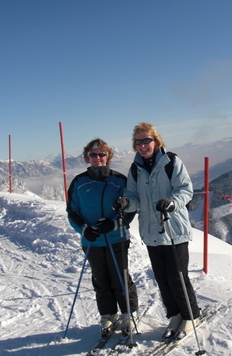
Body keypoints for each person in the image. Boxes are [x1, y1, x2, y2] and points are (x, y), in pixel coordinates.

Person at [114, 122, 200, 340]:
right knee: (162, 278)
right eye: (138, 141)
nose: (143, 145)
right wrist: (126, 203)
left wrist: (172, 203)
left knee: (178, 277)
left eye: (147, 140)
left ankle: (191, 316)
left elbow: (185, 189)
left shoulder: (171, 162)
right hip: (151, 232)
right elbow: (134, 196)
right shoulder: (136, 168)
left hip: (173, 229)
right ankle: (175, 314)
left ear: (156, 141)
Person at [66, 138, 138, 336]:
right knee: (100, 278)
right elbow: (72, 211)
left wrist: (115, 223)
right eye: (93, 154)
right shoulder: (79, 182)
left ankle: (128, 314)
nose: (97, 158)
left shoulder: (119, 180)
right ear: (87, 157)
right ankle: (108, 315)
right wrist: (83, 229)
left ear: (108, 156)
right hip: (92, 240)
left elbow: (131, 207)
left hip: (117, 238)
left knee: (120, 277)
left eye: (101, 154)